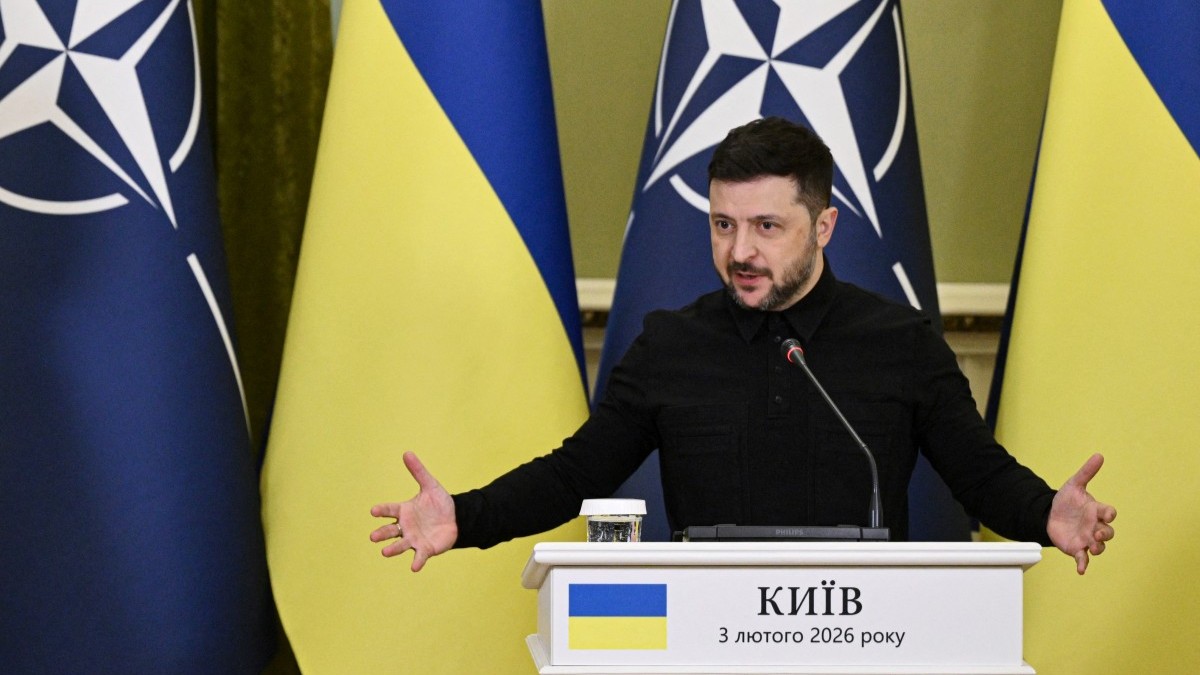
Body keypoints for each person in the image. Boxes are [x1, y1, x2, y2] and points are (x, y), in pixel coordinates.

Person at [370, 117, 1116, 575]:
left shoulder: (902, 343)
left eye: (766, 226)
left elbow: (979, 475)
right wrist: (462, 517)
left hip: (869, 640)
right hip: (707, 639)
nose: (740, 251)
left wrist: (1048, 513)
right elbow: (575, 473)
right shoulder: (671, 344)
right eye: (723, 224)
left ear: (822, 227)